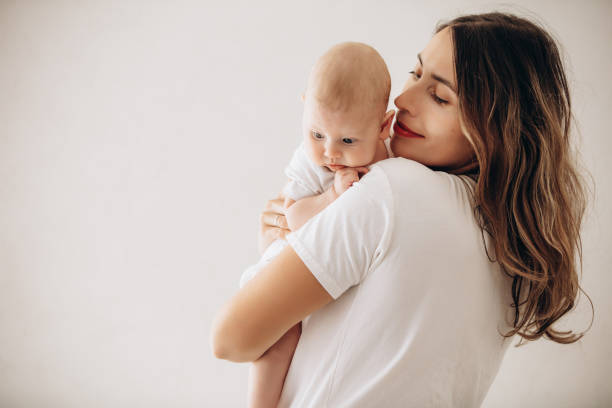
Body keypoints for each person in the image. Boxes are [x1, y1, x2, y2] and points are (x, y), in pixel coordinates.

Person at [211, 12, 591, 407]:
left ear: (495, 131)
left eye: (440, 97)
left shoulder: (393, 190)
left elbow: (231, 339)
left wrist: (280, 244)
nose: (403, 100)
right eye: (416, 73)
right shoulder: (515, 254)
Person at [239, 42, 395, 408]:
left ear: (383, 126)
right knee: (279, 339)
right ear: (305, 106)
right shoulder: (310, 164)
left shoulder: (395, 163)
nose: (330, 152)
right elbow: (292, 216)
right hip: (286, 260)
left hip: (333, 271)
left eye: (348, 140)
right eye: (317, 134)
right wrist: (330, 198)